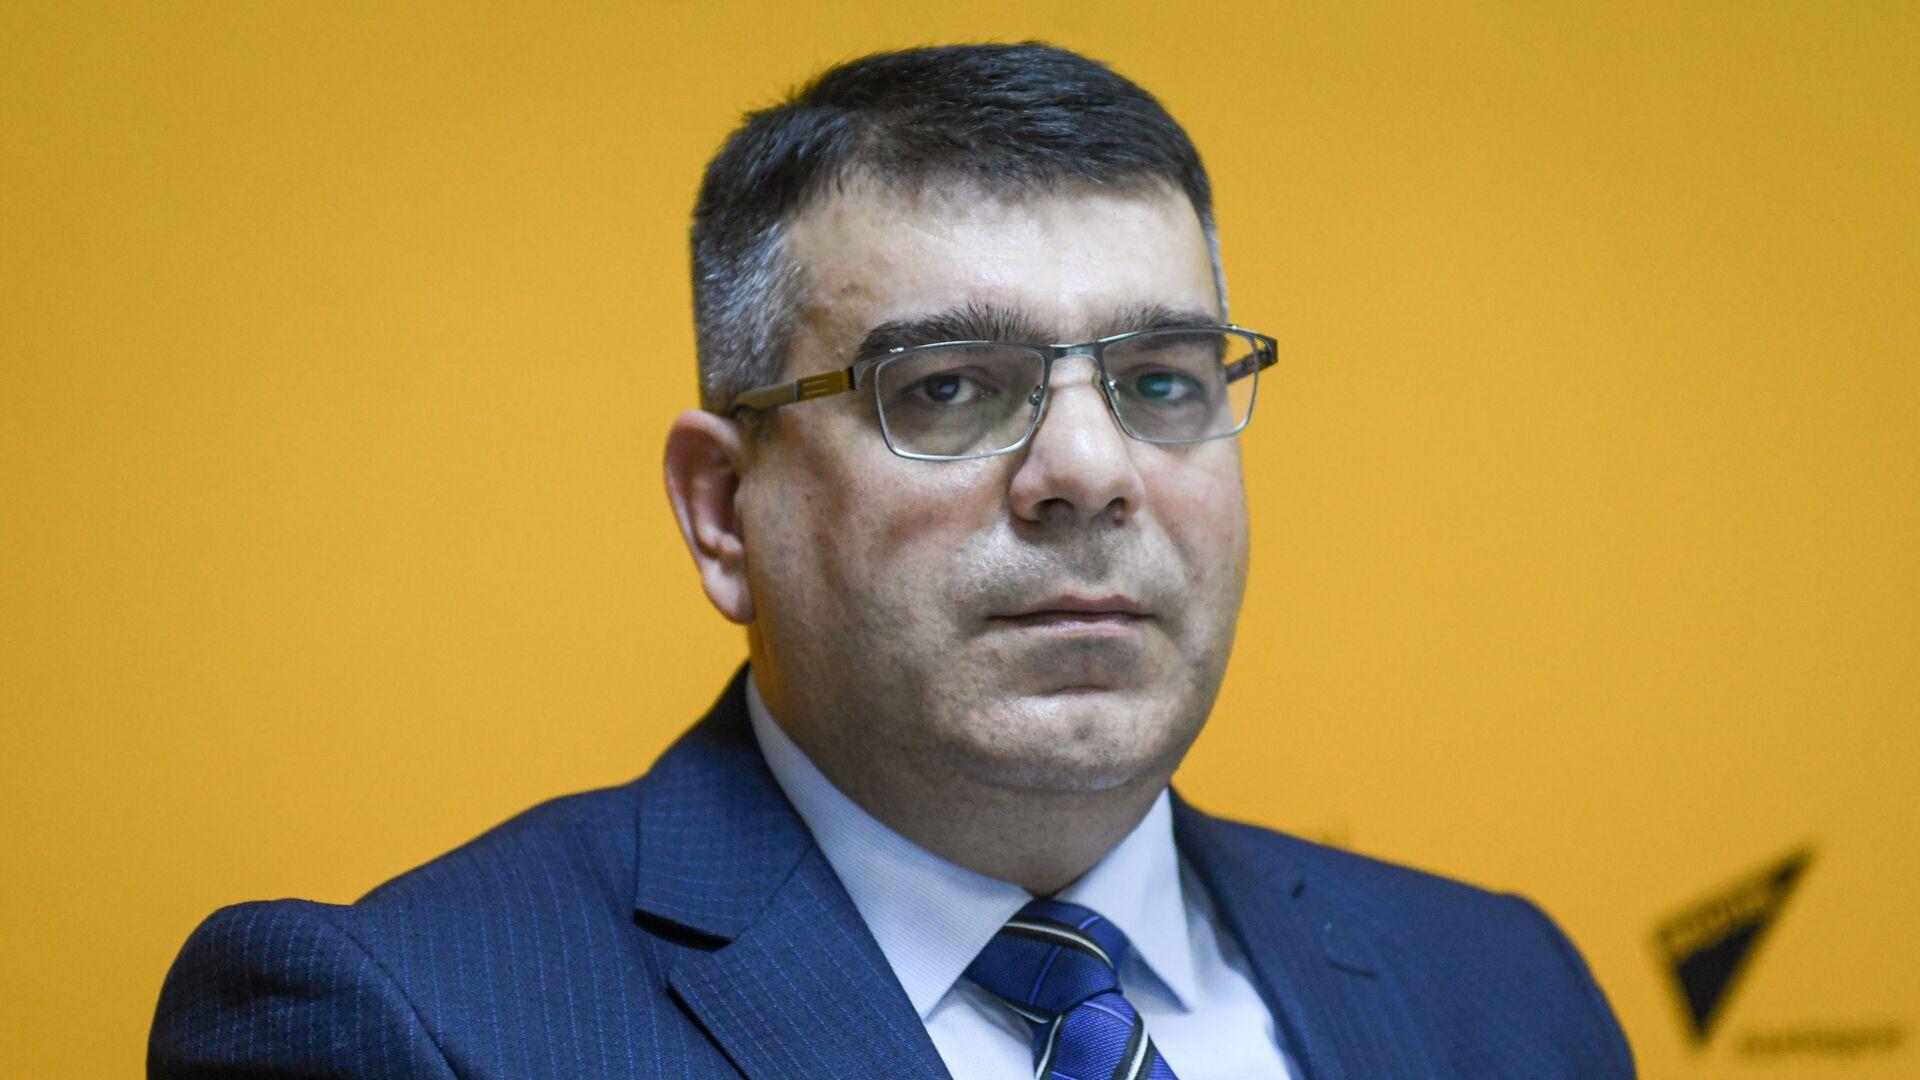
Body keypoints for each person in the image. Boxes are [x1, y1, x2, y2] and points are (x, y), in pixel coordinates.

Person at [150, 42, 1634, 1079]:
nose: (1091, 472)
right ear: (724, 511)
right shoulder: (405, 1025)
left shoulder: (1500, 995)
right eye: (949, 389)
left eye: (1161, 381)